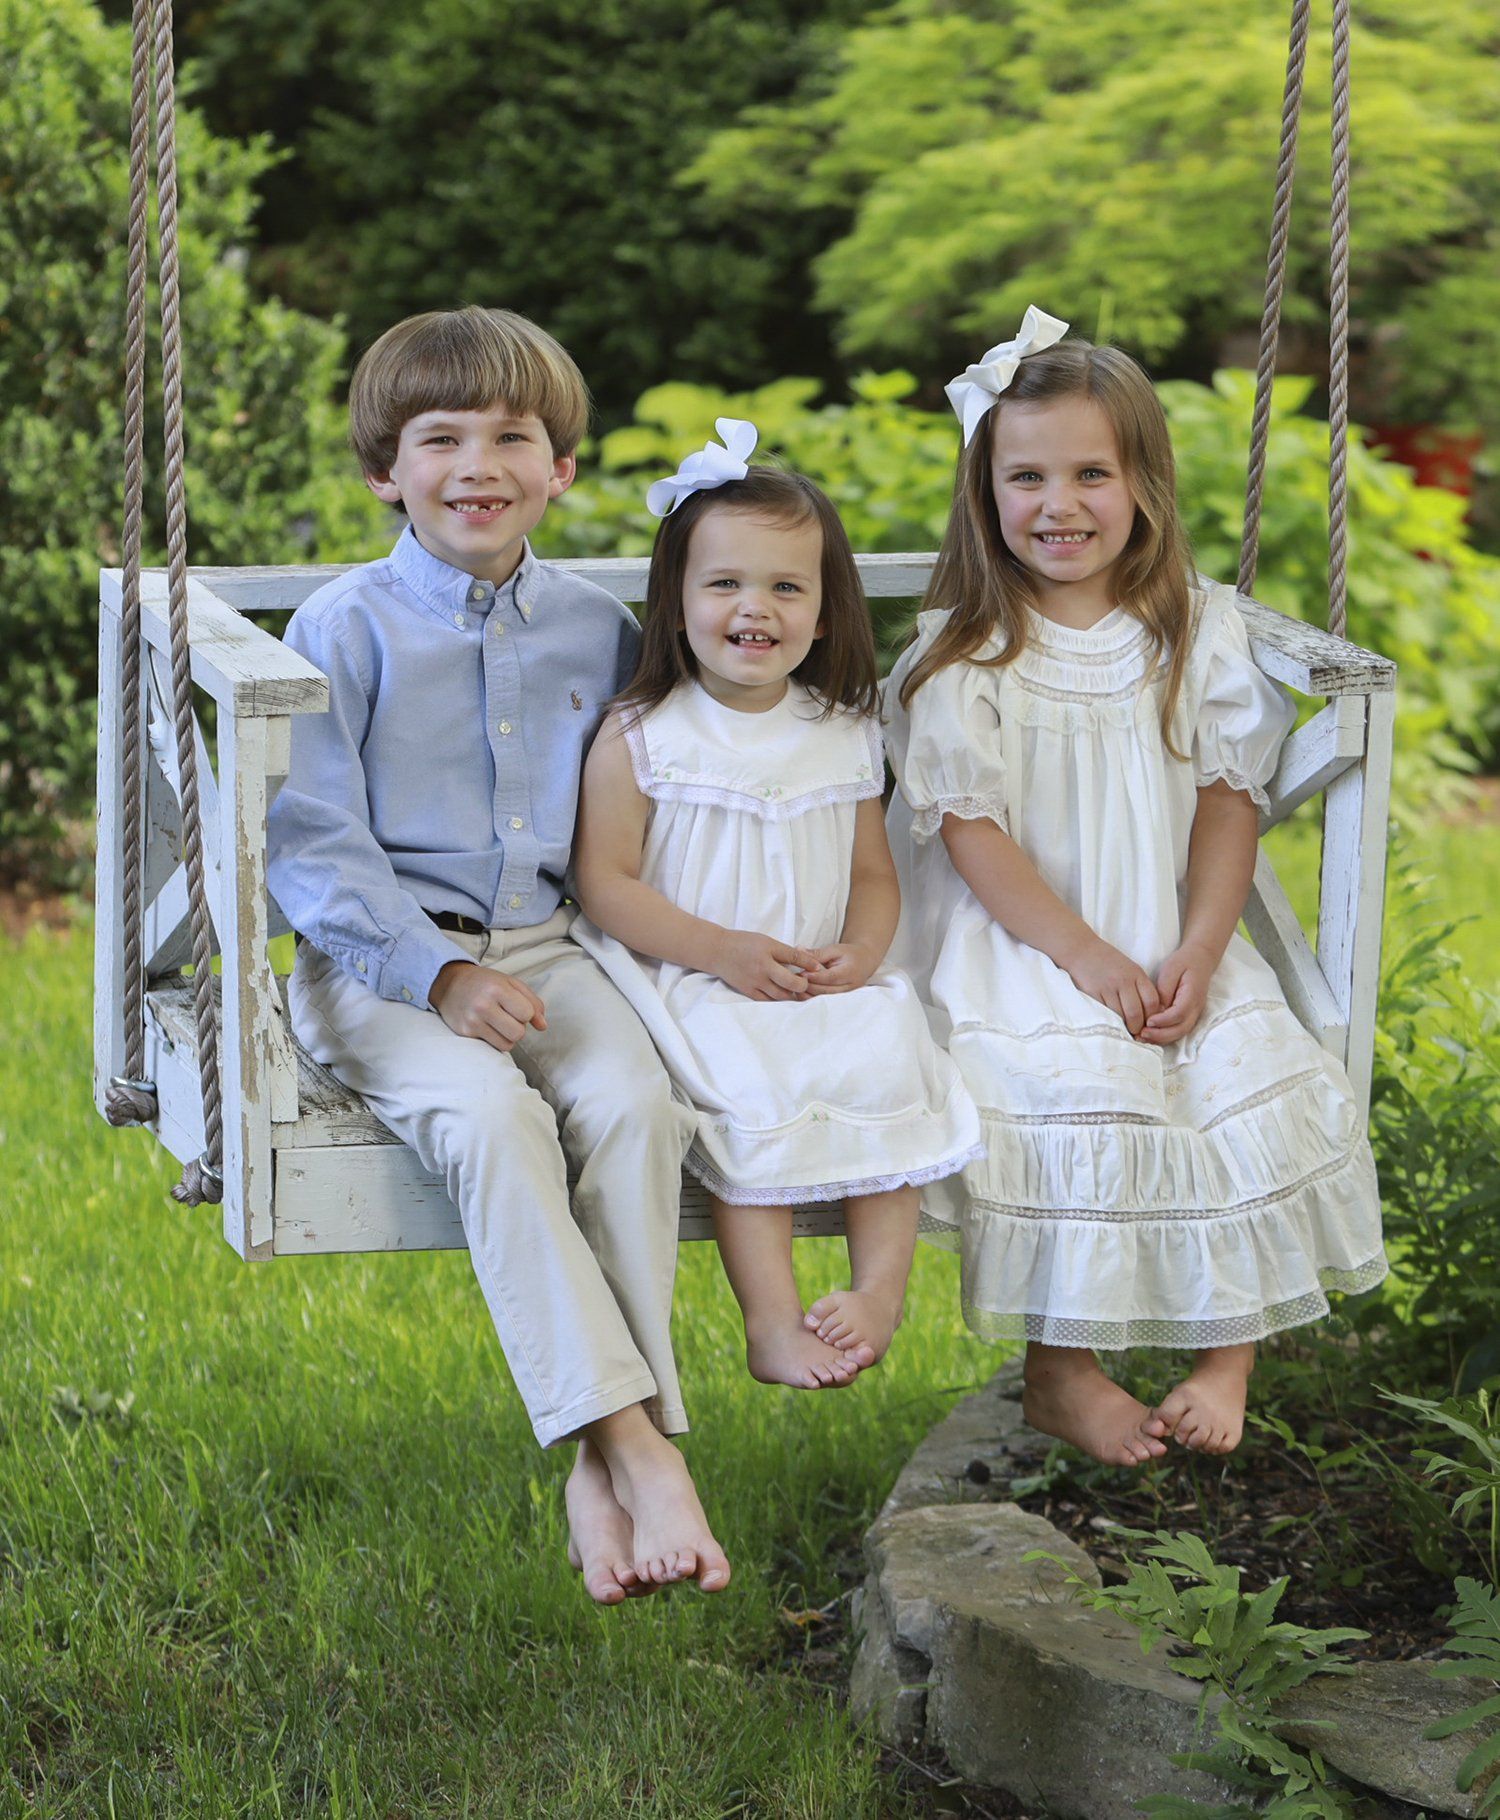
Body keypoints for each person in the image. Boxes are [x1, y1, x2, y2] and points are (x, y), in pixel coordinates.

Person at [266, 305, 729, 1603]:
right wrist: (438, 976)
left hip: (553, 947)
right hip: (382, 972)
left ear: (562, 467)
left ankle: (599, 1466)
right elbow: (312, 848)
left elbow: (656, 795)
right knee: (492, 1121)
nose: (480, 463)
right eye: (440, 437)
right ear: (384, 471)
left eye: (512, 435)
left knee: (639, 1107)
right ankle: (645, 1447)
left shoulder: (596, 629)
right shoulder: (344, 630)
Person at [884, 309, 1386, 1467]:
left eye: (1089, 473)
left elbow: (1226, 804)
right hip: (1026, 939)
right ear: (987, 492)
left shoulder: (1194, 635)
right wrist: (1086, 957)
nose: (1059, 503)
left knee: (1251, 1074)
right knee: (1072, 1097)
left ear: (1144, 481)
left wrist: (1201, 950)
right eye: (1027, 476)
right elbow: (975, 839)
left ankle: (1228, 1351)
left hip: (1169, 928)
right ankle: (1062, 1371)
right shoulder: (970, 651)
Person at [571, 424, 981, 1391]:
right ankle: (771, 1318)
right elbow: (607, 884)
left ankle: (880, 1288)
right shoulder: (645, 734)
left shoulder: (840, 731)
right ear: (674, 605)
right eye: (724, 585)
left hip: (815, 971)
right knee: (743, 1090)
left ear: (824, 614)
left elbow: (872, 871)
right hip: (694, 975)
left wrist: (865, 950)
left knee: (888, 1054)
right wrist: (719, 952)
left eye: (786, 588)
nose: (754, 607)